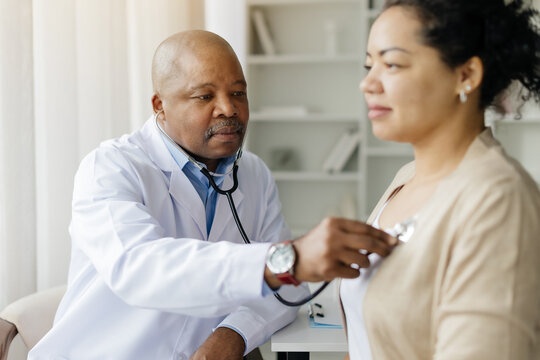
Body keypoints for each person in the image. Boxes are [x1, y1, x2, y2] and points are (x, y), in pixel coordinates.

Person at [29, 30, 395, 360]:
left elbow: (286, 290)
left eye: (238, 92)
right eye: (205, 95)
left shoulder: (252, 173)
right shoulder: (111, 168)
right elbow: (139, 268)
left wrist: (234, 332)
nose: (229, 108)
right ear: (160, 106)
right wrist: (283, 261)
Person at [340, 0, 540, 359]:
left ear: (466, 76)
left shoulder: (498, 198)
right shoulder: (407, 178)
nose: (367, 83)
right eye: (370, 65)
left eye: (392, 64)